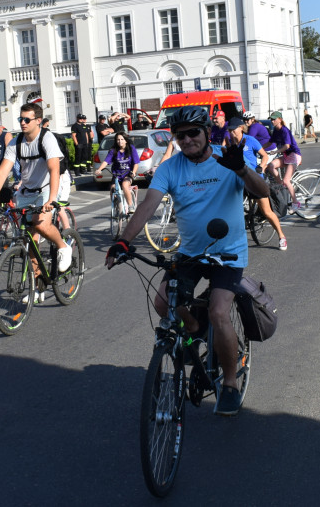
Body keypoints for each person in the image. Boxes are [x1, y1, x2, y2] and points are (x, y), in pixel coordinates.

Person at [105, 106, 269, 416]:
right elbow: (147, 206)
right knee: (163, 302)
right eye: (180, 136)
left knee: (220, 311)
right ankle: (195, 329)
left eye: (193, 132)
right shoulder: (170, 168)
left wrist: (242, 170)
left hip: (228, 253)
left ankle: (230, 383)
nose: (187, 139)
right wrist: (124, 241)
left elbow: (263, 191)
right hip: (191, 252)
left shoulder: (228, 158)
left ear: (207, 131)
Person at [0, 103, 73, 303]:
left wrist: (52, 198)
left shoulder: (47, 138)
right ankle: (39, 284)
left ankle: (63, 246)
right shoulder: (16, 142)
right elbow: (3, 170)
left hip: (49, 186)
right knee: (28, 240)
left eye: (27, 119)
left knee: (41, 223)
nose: (23, 123)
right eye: (20, 119)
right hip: (27, 190)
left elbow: (54, 169)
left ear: (38, 121)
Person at [227, 116, 287, 250]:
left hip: (254, 179)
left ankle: (281, 237)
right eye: (229, 130)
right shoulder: (230, 143)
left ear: (241, 128)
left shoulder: (250, 140)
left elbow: (264, 155)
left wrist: (263, 166)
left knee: (266, 211)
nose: (231, 132)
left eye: (233, 130)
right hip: (238, 179)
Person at [263, 111, 303, 210]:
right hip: (286, 156)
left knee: (287, 180)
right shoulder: (276, 131)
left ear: (280, 119)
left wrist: (276, 151)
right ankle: (281, 186)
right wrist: (259, 148)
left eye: (274, 119)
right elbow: (270, 142)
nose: (272, 121)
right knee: (271, 166)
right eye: (271, 119)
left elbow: (287, 146)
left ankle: (295, 202)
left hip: (294, 156)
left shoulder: (285, 130)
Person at [94, 132, 140, 213]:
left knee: (125, 185)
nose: (120, 141)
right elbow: (106, 161)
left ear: (126, 140)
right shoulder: (113, 150)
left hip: (128, 174)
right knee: (112, 188)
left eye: (122, 139)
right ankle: (115, 205)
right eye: (118, 140)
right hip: (117, 175)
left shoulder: (131, 148)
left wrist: (133, 172)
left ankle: (130, 206)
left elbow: (136, 163)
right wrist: (99, 169)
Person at [41, 117, 73, 229]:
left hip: (63, 179)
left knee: (59, 208)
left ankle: (68, 232)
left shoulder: (58, 153)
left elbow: (60, 169)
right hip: (50, 181)